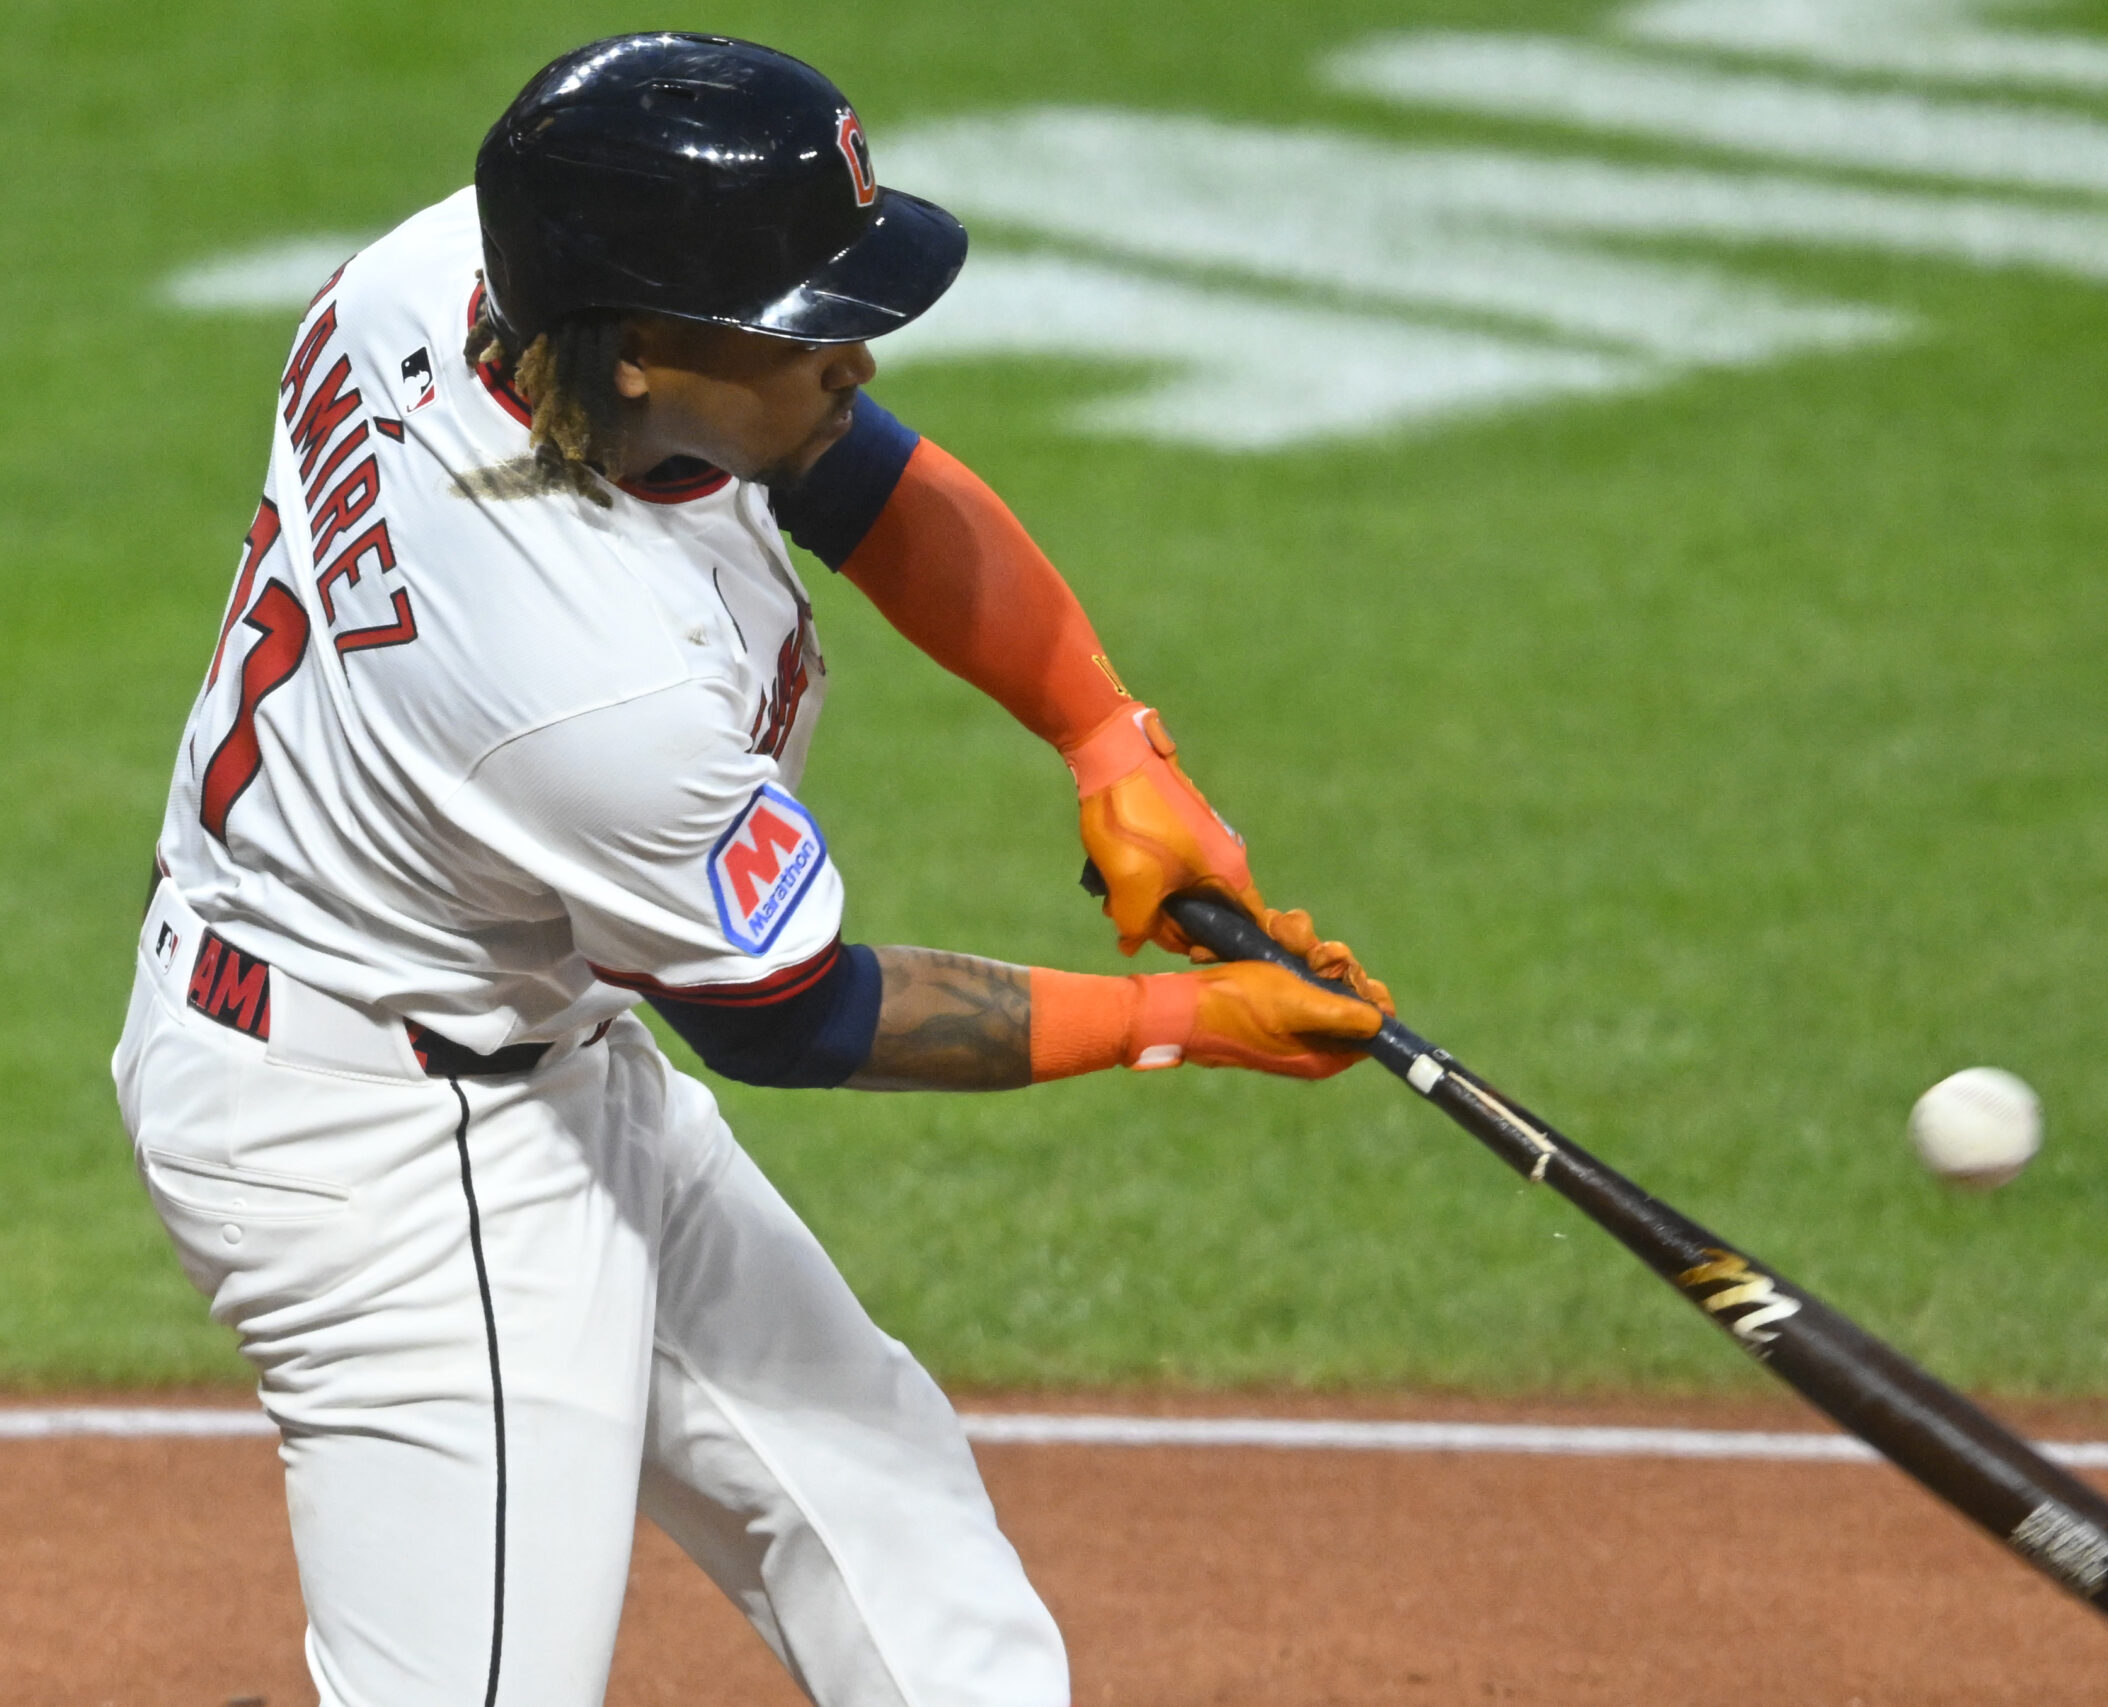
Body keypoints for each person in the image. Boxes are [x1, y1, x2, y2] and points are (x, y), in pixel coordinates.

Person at [112, 31, 1390, 1707]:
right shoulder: (585, 682)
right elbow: (791, 1015)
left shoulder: (468, 278)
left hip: (500, 1024)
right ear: (642, 346)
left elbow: (851, 474)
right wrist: (1184, 1019)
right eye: (807, 322)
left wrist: (1106, 741)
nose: (854, 350)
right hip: (388, 1147)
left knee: (890, 1530)